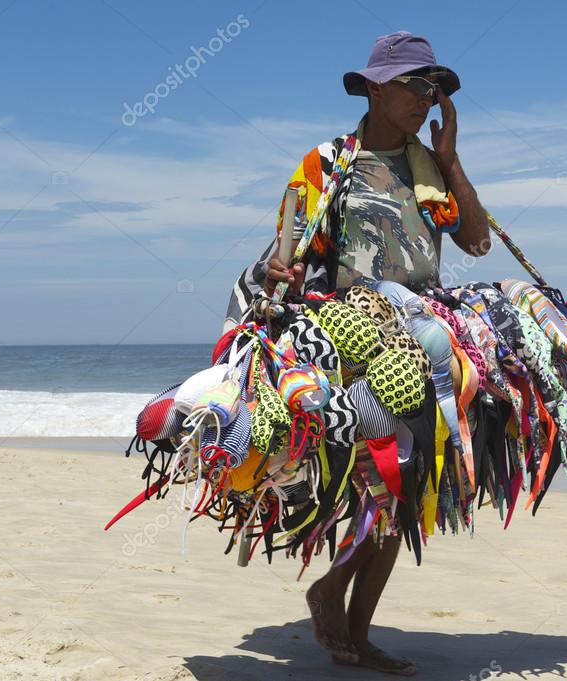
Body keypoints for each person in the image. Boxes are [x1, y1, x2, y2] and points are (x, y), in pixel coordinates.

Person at [228, 31, 490, 675]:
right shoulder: (326, 162)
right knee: (382, 479)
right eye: (414, 84)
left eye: (435, 89)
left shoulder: (428, 167)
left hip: (422, 333)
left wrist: (451, 159)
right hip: (352, 337)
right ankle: (334, 600)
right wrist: (281, 275)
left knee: (406, 486)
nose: (426, 99)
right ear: (374, 87)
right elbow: (286, 251)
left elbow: (479, 242)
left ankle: (350, 619)